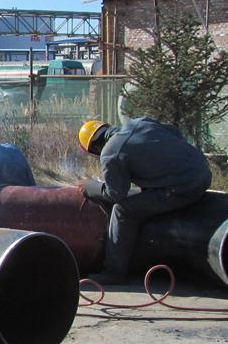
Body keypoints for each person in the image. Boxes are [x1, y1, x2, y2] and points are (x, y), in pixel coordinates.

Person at [78, 117, 212, 284]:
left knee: (122, 210)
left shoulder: (110, 152)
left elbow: (115, 194)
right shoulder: (141, 122)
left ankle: (114, 272)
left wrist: (90, 186)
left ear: (94, 148)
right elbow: (174, 132)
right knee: (139, 196)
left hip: (184, 188)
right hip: (203, 173)